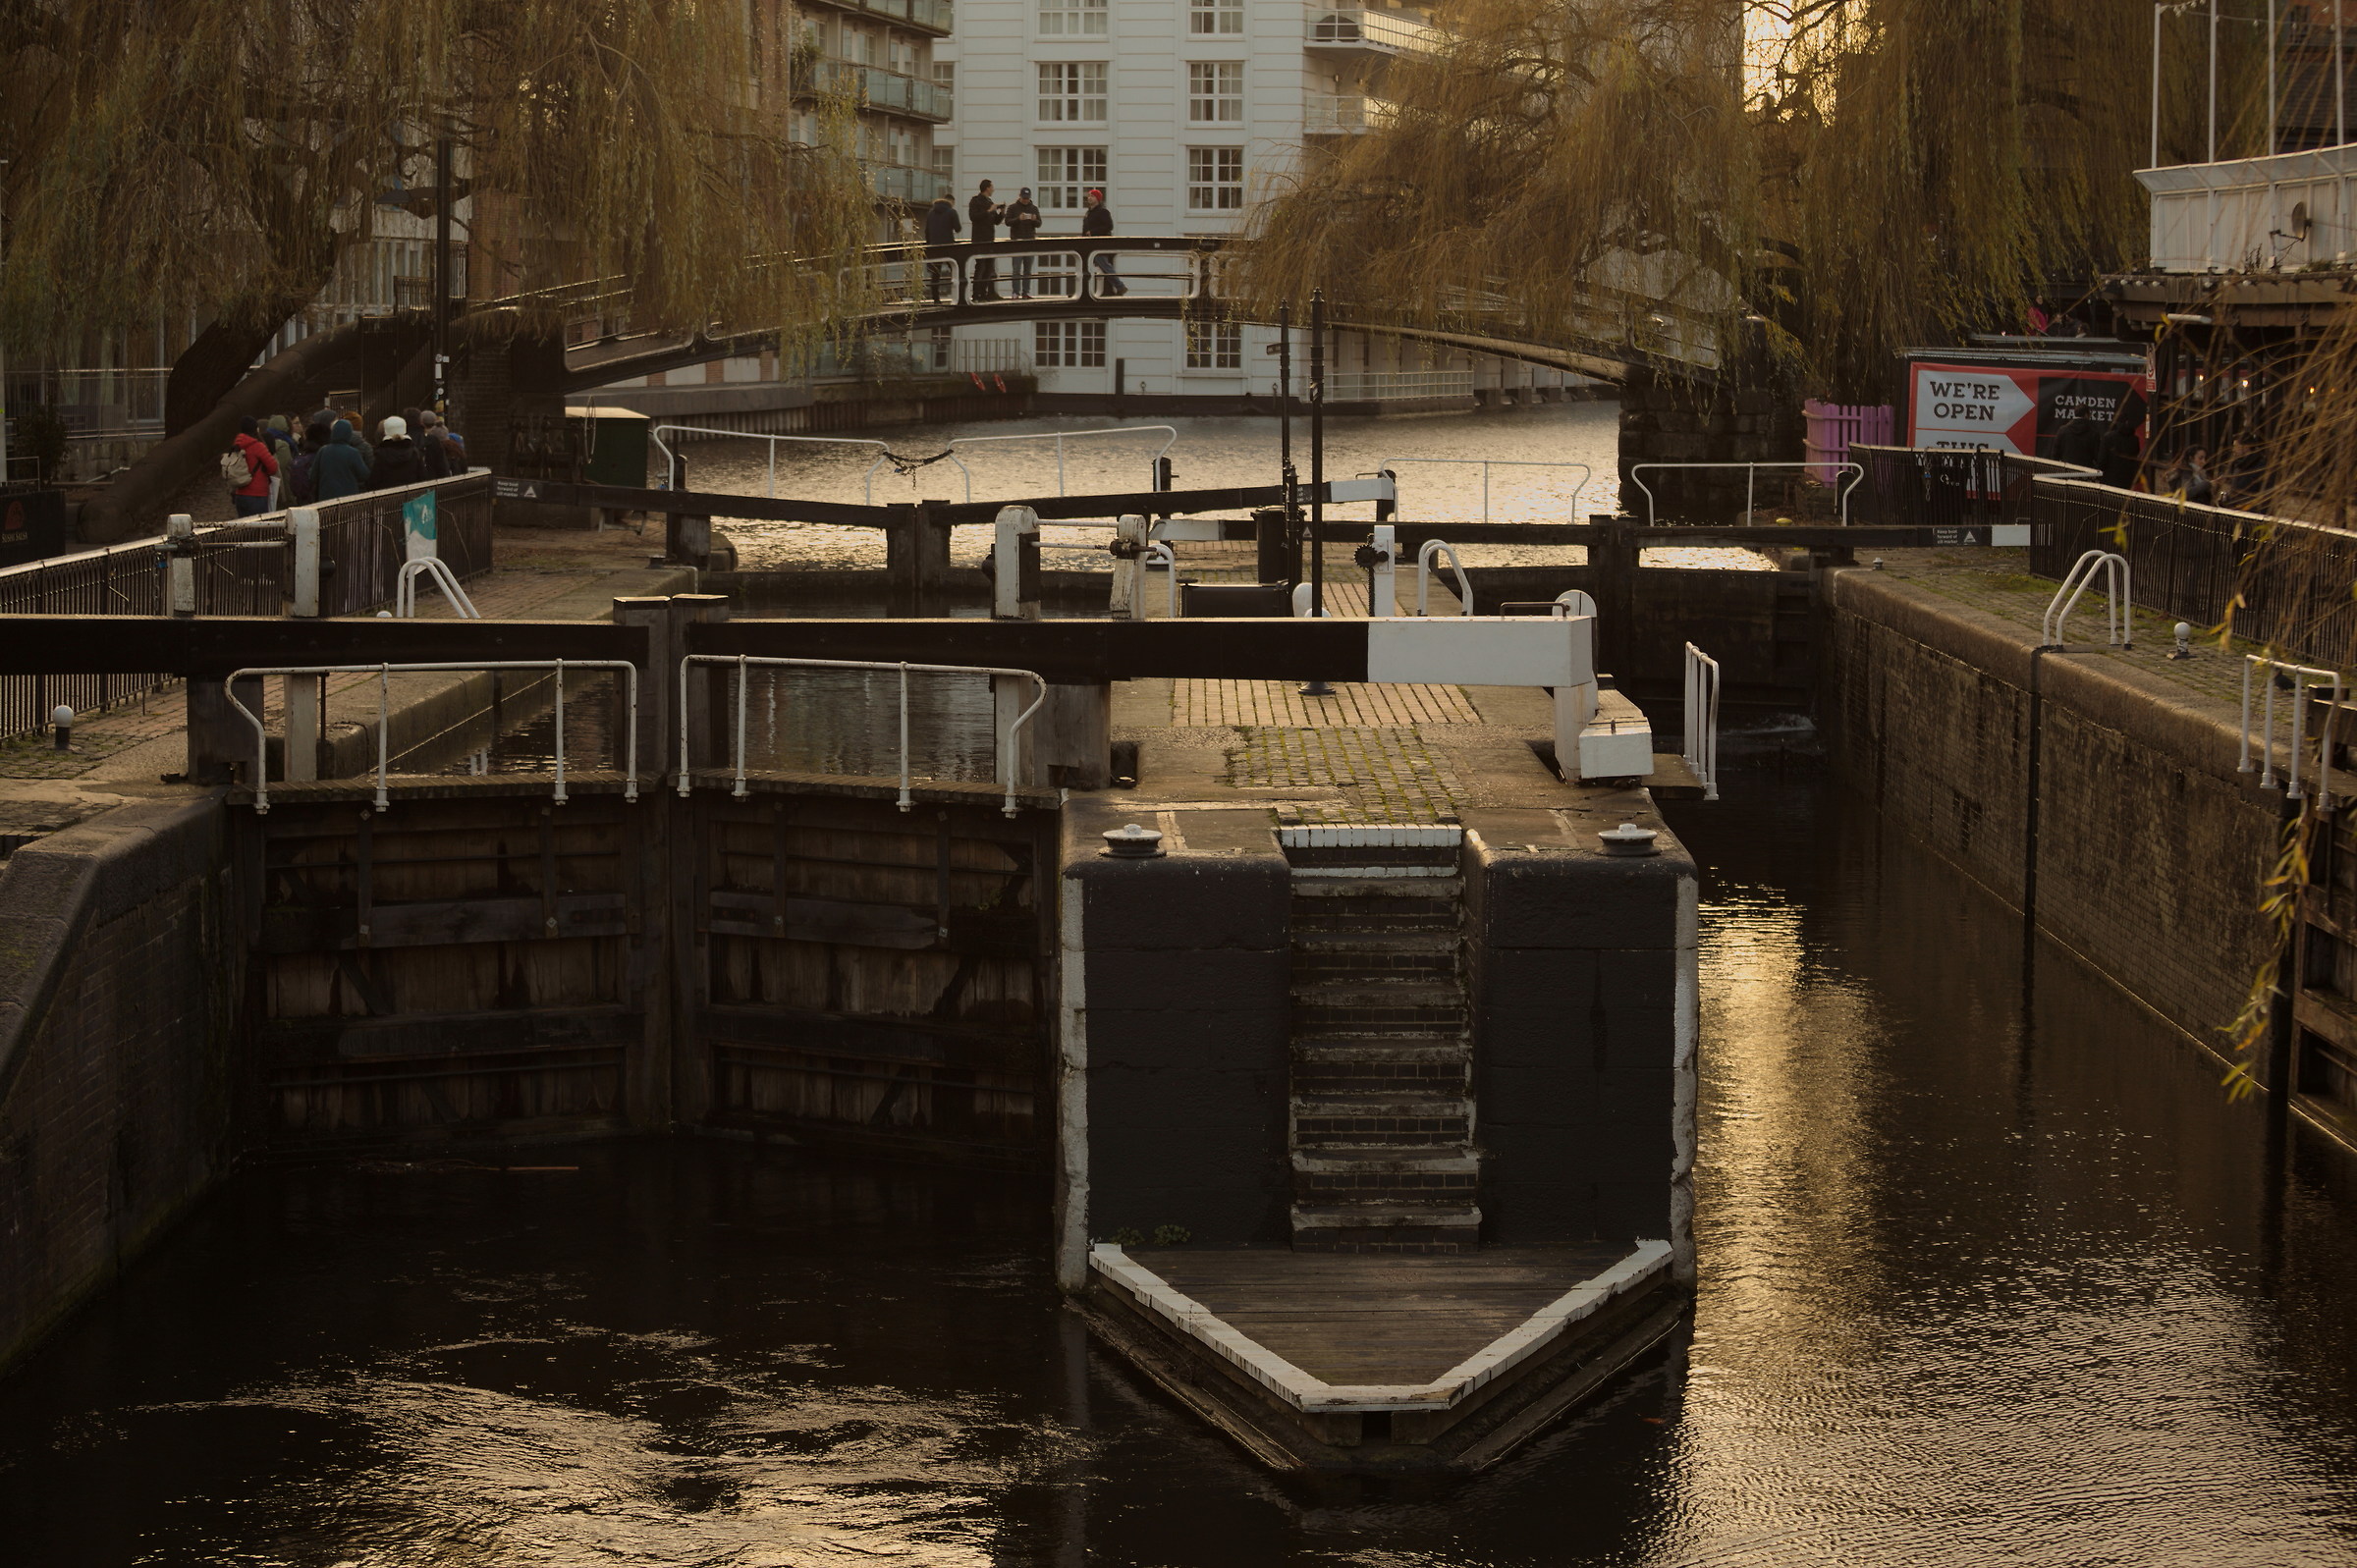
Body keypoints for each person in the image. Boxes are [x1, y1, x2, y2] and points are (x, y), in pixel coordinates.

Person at [223, 415, 279, 515]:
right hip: (257, 495)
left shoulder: (236, 446)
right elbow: (273, 467)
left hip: (240, 494)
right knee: (258, 528)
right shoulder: (257, 446)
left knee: (245, 527)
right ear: (256, 429)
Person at [312, 418, 372, 501]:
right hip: (348, 498)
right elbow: (364, 475)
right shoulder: (353, 452)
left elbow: (313, 475)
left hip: (326, 497)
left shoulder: (323, 450)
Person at [1081, 188, 1124, 297]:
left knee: (1103, 263)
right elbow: (1085, 228)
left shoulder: (1102, 211)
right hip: (1090, 243)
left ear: (1098, 199)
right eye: (1089, 196)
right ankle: (1084, 291)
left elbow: (1109, 226)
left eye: (1092, 196)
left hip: (1100, 243)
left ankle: (1119, 286)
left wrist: (1093, 232)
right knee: (1087, 266)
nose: (1089, 198)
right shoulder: (1089, 212)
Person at [370, 414, 429, 490]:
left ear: (385, 431)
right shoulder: (414, 452)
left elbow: (374, 481)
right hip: (411, 496)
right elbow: (423, 477)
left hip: (387, 497)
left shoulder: (380, 454)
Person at [967, 180, 1004, 300]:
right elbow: (973, 217)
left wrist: (1001, 213)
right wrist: (989, 211)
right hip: (979, 239)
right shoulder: (975, 201)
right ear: (987, 188)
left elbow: (995, 222)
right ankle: (976, 294)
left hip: (989, 239)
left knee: (989, 267)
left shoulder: (989, 202)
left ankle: (984, 293)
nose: (993, 189)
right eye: (992, 187)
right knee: (981, 266)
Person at [923, 192, 961, 301]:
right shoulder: (951, 212)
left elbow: (927, 231)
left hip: (934, 246)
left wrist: (929, 244)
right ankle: (959, 296)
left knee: (935, 274)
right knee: (956, 270)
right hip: (948, 246)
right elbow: (958, 228)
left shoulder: (931, 213)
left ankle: (936, 299)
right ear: (951, 202)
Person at [1006, 187, 1042, 298]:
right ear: (1020, 196)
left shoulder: (1034, 208)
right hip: (1017, 241)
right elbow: (1007, 222)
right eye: (1024, 198)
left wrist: (1034, 220)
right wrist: (1018, 219)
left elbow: (1039, 223)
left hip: (1030, 241)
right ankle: (1015, 292)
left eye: (1027, 198)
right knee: (1016, 269)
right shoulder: (1012, 208)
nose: (1025, 200)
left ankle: (1026, 292)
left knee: (1028, 269)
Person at [2098, 413, 2143, 489]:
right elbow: (2135, 459)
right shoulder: (2135, 439)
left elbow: (2102, 460)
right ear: (2127, 422)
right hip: (2128, 478)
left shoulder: (2108, 437)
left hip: (2110, 478)